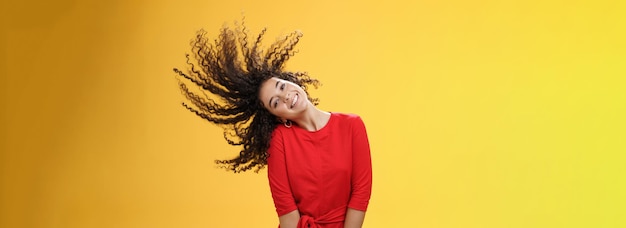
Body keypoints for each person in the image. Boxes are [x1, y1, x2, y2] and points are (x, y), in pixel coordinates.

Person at [173, 21, 372, 228]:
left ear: (292, 81)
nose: (286, 96)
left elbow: (361, 192)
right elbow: (287, 212)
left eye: (282, 86)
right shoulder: (279, 140)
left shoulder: (352, 125)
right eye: (275, 102)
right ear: (278, 116)